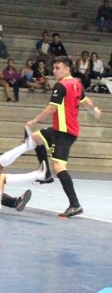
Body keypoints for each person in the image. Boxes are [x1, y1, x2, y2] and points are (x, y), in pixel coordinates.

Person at [9, 56, 102, 218]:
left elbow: (52, 108)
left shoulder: (62, 85)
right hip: (59, 129)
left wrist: (34, 120)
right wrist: (95, 111)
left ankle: (75, 205)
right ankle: (45, 174)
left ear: (67, 69)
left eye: (57, 68)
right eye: (54, 68)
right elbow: (86, 102)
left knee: (59, 167)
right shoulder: (77, 84)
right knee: (35, 139)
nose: (54, 71)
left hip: (64, 133)